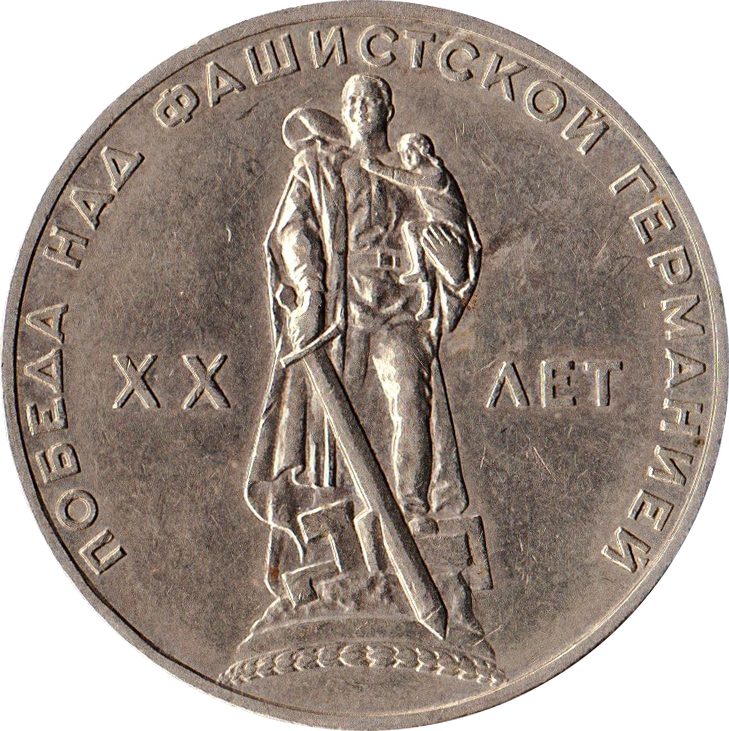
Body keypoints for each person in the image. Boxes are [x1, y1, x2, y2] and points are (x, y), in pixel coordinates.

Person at [245, 74, 483, 620]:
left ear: (387, 108)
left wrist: (445, 246)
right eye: (350, 100)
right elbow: (292, 231)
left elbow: (454, 230)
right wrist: (309, 289)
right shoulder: (320, 165)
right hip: (340, 309)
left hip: (399, 303)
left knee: (410, 402)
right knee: (332, 425)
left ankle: (412, 506)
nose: (358, 107)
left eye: (369, 99)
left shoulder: (411, 169)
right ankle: (332, 535)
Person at [361, 132, 470, 320]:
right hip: (436, 228)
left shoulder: (436, 175)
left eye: (409, 152)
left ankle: (421, 273)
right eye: (402, 154)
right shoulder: (427, 175)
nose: (405, 158)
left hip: (450, 232)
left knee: (412, 229)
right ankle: (427, 303)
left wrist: (378, 169)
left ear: (422, 151)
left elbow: (408, 180)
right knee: (428, 260)